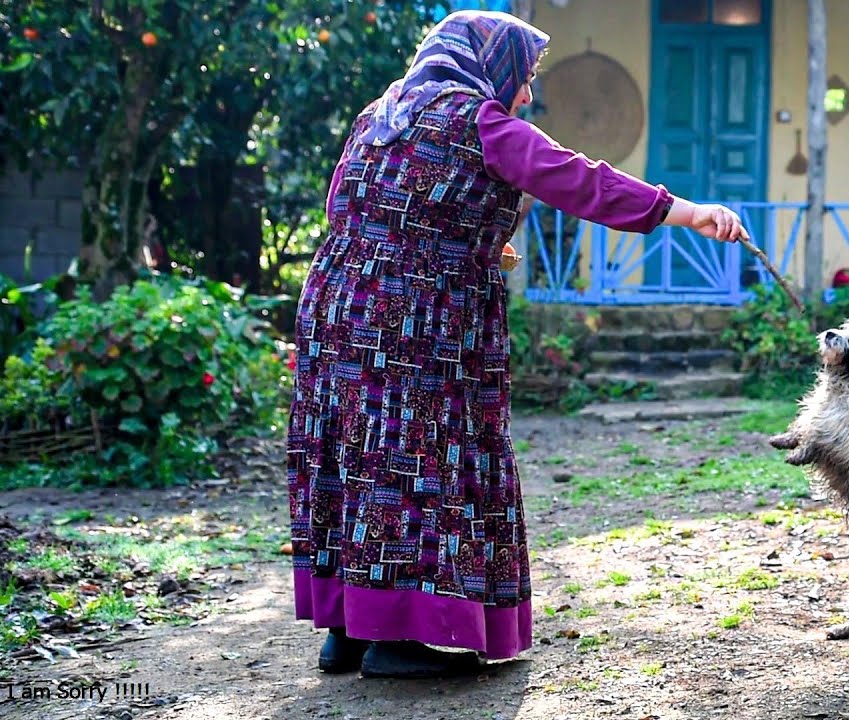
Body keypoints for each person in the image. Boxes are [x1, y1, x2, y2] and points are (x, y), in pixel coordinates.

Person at [287, 9, 749, 680]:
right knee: (419, 457)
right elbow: (579, 179)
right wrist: (687, 212)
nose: (527, 94)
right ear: (488, 65)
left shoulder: (378, 116)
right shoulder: (481, 122)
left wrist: (469, 239)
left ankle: (345, 629)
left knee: (355, 454)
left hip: (337, 306)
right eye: (523, 77)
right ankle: (398, 640)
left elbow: (354, 208)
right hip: (417, 319)